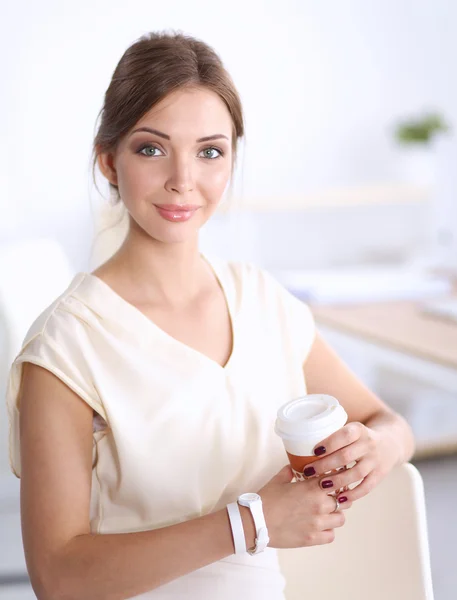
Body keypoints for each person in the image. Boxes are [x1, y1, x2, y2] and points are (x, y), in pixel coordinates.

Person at [5, 31, 415, 600]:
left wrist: (383, 448)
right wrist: (253, 522)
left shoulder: (263, 301)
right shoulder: (66, 347)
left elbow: (385, 422)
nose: (183, 179)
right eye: (152, 148)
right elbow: (58, 577)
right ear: (108, 160)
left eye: (210, 151)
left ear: (231, 160)